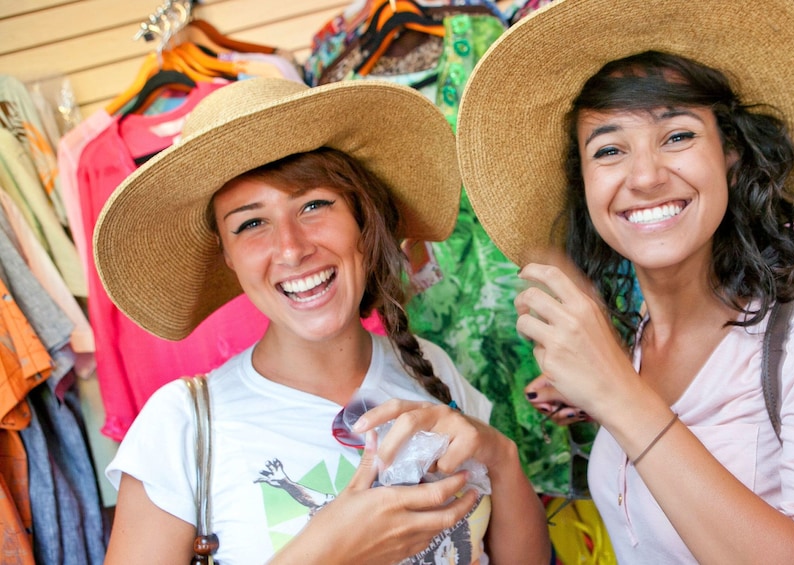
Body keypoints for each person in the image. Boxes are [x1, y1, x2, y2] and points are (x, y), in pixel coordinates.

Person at [455, 0, 794, 562]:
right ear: (586, 185)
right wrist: (601, 386)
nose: (644, 176)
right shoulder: (635, 341)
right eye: (610, 149)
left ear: (732, 155)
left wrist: (618, 393)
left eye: (678, 136)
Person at [96, 77, 549, 564]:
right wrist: (325, 552)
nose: (291, 248)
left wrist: (500, 457)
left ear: (361, 217)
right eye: (251, 223)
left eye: (314, 205)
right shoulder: (183, 424)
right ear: (227, 256)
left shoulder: (431, 366)